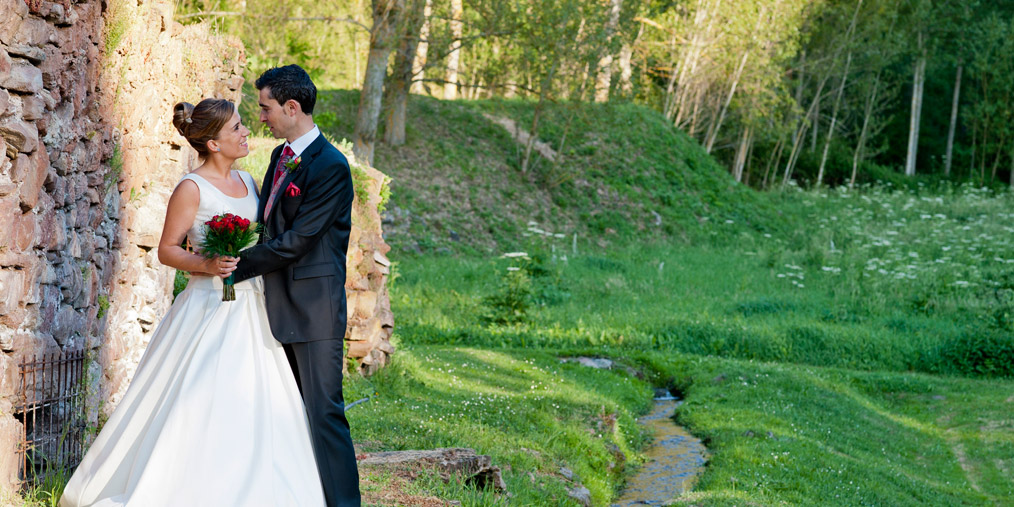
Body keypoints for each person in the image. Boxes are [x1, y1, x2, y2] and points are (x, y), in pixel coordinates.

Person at [59, 99, 326, 507]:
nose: (245, 132)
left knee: (260, 401)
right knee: (198, 399)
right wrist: (208, 263)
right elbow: (167, 250)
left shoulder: (252, 182)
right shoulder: (191, 187)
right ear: (214, 144)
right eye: (237, 128)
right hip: (206, 306)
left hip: (253, 307)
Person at [229, 64, 361, 507]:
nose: (260, 118)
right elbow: (268, 226)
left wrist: (231, 266)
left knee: (323, 414)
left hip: (313, 309)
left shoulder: (332, 166)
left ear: (292, 106)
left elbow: (298, 241)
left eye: (265, 108)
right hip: (272, 302)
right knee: (282, 413)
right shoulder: (278, 156)